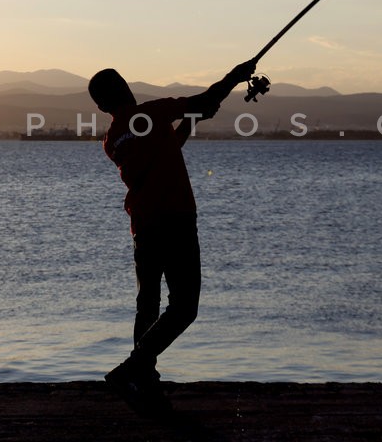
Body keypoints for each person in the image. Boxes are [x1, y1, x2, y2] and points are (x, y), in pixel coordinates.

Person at [88, 59, 256, 415]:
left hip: (144, 227)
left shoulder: (112, 140)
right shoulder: (152, 112)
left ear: (102, 107)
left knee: (147, 303)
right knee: (184, 307)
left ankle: (142, 381)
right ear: (124, 90)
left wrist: (193, 120)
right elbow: (205, 98)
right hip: (176, 220)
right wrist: (235, 77)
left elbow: (167, 144)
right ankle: (133, 369)